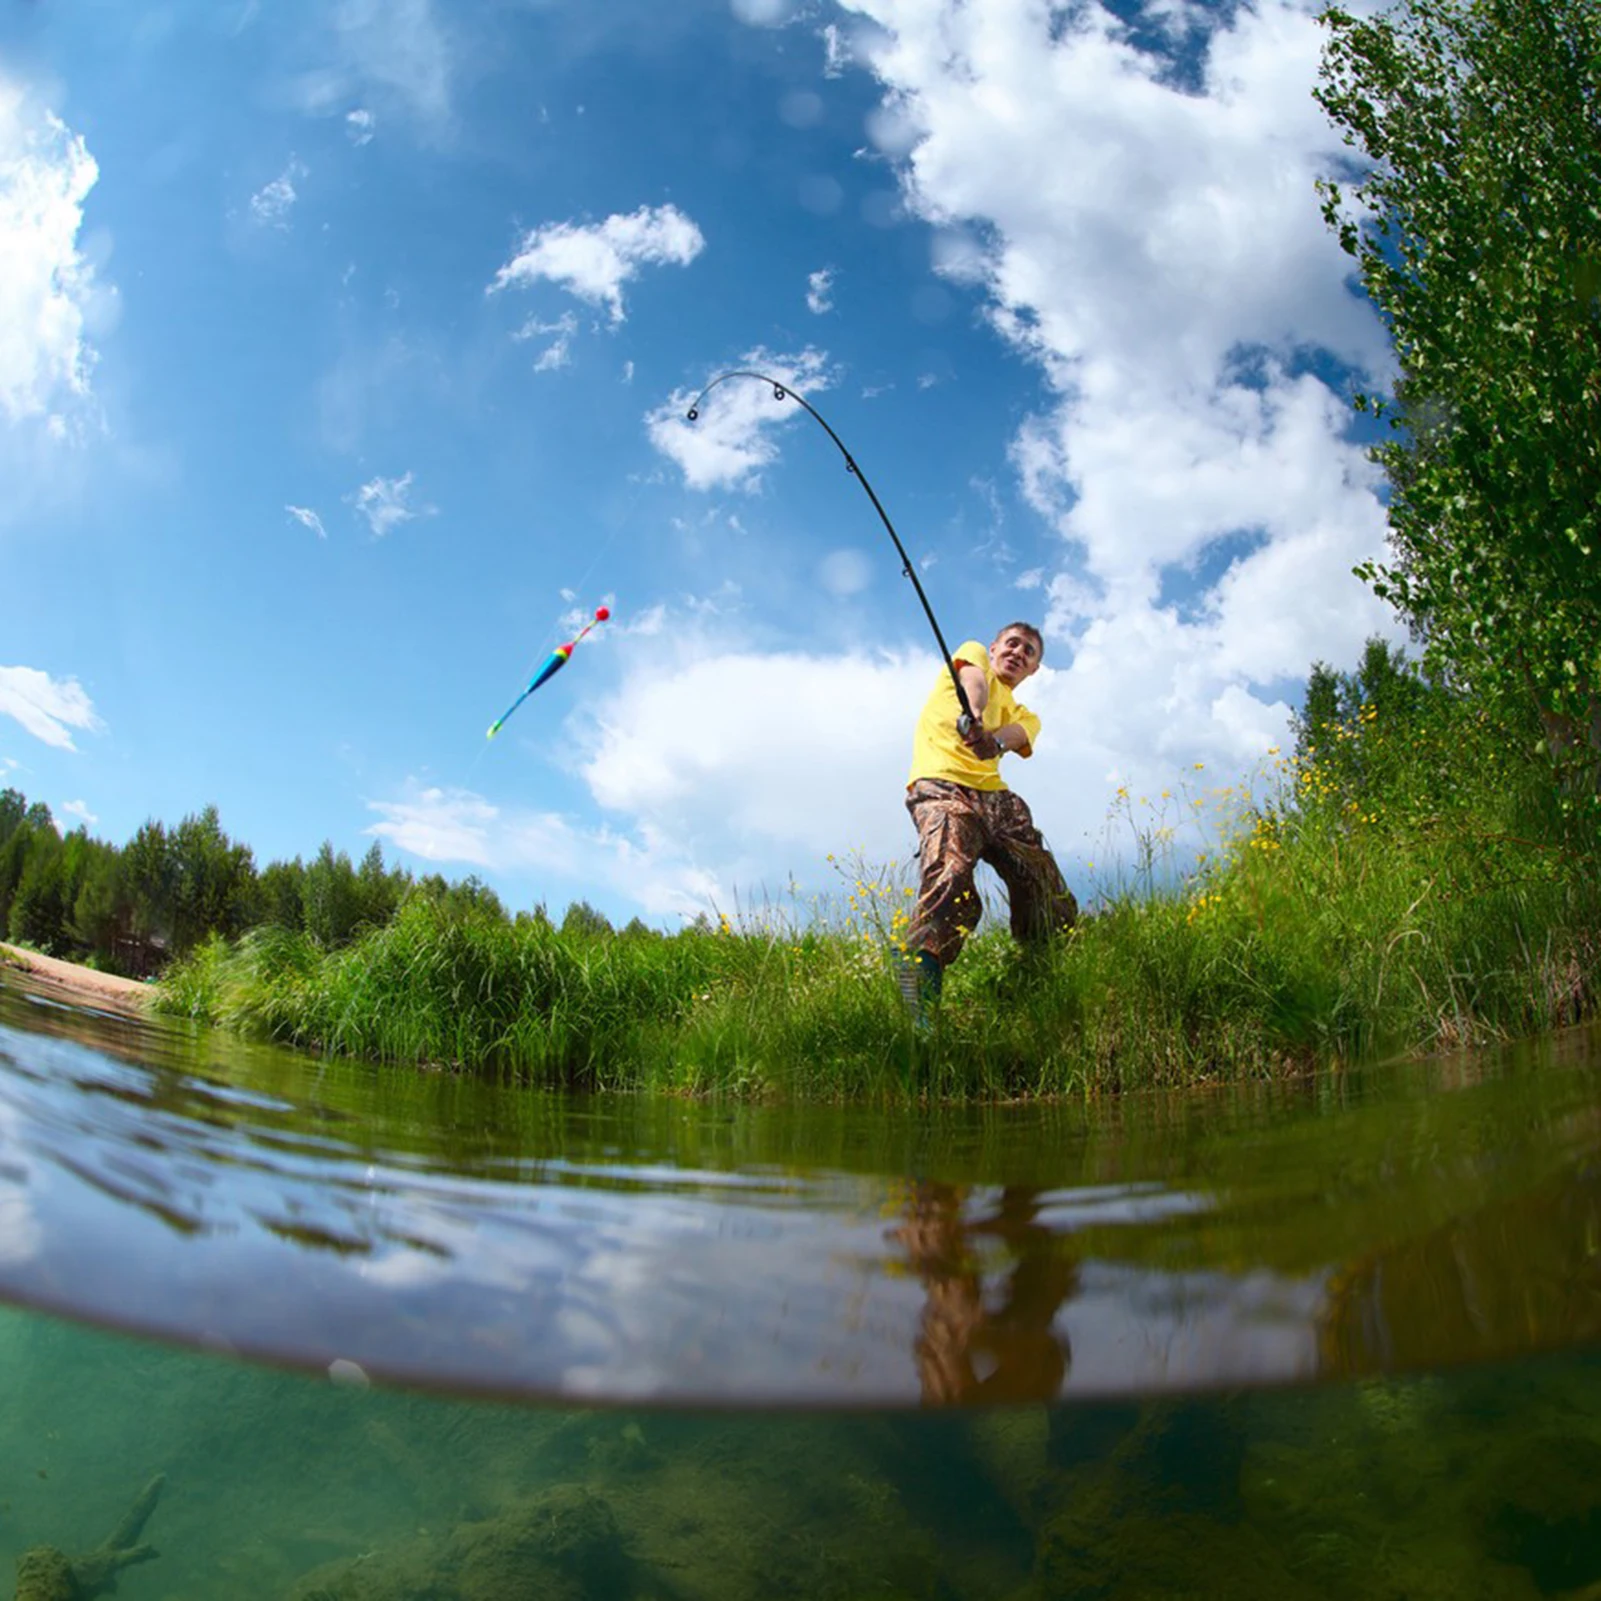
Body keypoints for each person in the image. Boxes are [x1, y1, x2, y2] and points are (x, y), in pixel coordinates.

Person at [898, 622, 1077, 1023]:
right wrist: (974, 717)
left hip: (995, 796)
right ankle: (919, 999)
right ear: (996, 647)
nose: (1018, 652)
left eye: (1029, 652)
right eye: (1012, 644)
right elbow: (972, 681)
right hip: (942, 785)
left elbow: (1016, 734)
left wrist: (993, 741)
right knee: (951, 872)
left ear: (1033, 670)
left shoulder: (1026, 714)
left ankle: (1040, 973)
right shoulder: (973, 653)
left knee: (1042, 880)